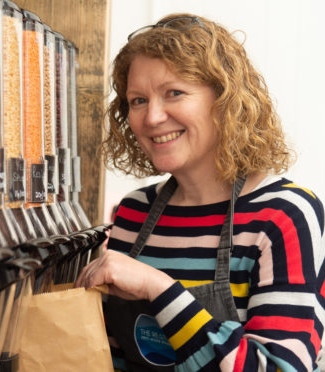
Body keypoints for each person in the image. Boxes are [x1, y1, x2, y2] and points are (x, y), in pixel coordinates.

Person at [76, 13, 325, 371]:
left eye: (174, 93)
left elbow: (279, 367)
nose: (152, 118)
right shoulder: (133, 213)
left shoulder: (283, 214)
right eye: (138, 100)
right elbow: (112, 356)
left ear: (225, 101)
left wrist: (159, 289)